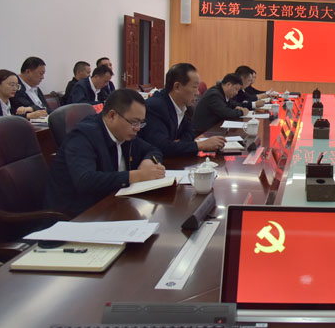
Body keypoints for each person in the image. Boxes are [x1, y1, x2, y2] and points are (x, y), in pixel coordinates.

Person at [45, 89, 165, 217]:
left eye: (141, 123)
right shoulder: (83, 137)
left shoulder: (124, 133)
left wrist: (148, 161)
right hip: (76, 215)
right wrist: (138, 176)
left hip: (110, 205)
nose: (137, 128)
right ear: (112, 116)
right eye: (134, 122)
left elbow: (153, 150)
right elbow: (85, 180)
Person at [139, 63, 225, 157]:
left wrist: (179, 144)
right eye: (194, 87)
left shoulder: (184, 106)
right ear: (177, 87)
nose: (197, 93)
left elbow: (190, 131)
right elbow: (161, 147)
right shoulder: (156, 106)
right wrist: (200, 145)